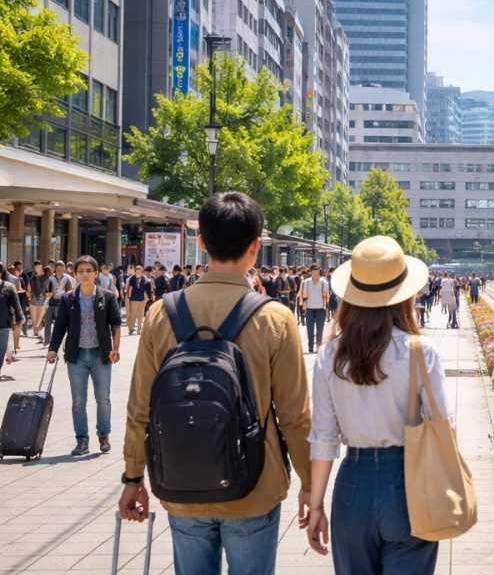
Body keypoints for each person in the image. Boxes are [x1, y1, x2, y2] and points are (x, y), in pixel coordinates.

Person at [118, 192, 314, 575]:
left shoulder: (162, 313)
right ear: (256, 246)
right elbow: (294, 415)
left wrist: (132, 476)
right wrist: (310, 482)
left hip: (181, 480)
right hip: (255, 485)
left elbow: (140, 406)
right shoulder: (275, 318)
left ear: (202, 242)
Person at [305, 236, 447, 572]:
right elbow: (444, 425)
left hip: (352, 481)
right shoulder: (420, 352)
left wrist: (315, 507)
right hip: (408, 481)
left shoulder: (330, 355)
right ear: (404, 296)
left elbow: (323, 438)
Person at [46, 255, 123, 455]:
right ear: (75, 274)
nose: (85, 274)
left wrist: (115, 348)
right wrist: (53, 348)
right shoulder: (68, 298)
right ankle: (82, 440)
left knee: (103, 399)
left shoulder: (106, 297)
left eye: (89, 271)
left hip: (101, 355)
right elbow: (60, 326)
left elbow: (115, 323)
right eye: (81, 271)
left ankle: (103, 436)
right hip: (76, 356)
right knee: (78, 401)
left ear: (96, 273)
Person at [300, 265, 331, 354]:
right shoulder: (306, 282)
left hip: (321, 309)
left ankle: (318, 347)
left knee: (320, 329)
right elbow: (304, 295)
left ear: (319, 272)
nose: (315, 274)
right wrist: (304, 304)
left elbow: (327, 296)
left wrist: (325, 304)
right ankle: (310, 347)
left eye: (317, 272)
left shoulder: (324, 282)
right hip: (309, 308)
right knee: (309, 329)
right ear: (310, 272)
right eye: (313, 272)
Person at [0, 274, 23, 377]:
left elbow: (16, 304)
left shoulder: (9, 287)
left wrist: (20, 317)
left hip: (3, 325)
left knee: (1, 352)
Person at [125, 264, 151, 336]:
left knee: (141, 314)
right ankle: (131, 329)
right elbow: (129, 288)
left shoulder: (144, 278)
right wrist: (128, 297)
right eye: (137, 270)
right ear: (135, 270)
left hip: (142, 299)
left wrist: (148, 297)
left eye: (140, 270)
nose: (139, 271)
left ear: (142, 270)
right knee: (133, 314)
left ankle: (139, 330)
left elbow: (148, 287)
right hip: (134, 298)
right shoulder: (132, 278)